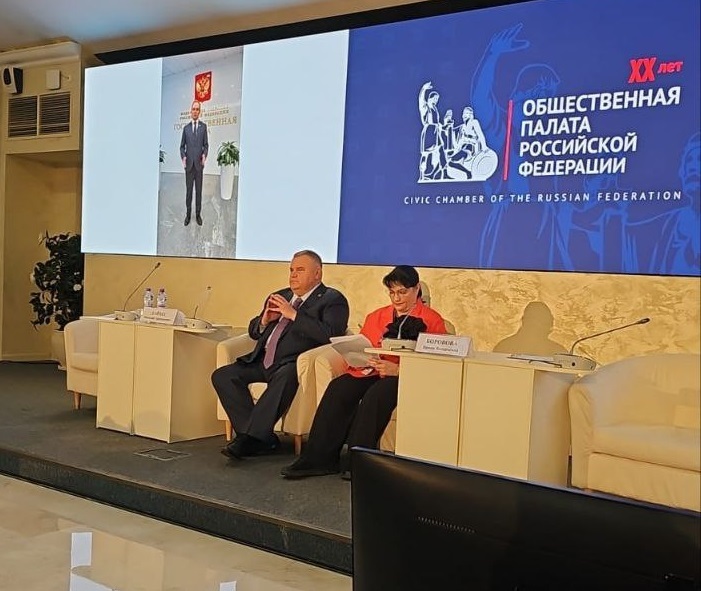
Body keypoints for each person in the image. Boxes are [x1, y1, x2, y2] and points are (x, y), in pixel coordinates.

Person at [280, 265, 447, 480]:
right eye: (392, 292)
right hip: (370, 369)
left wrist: (398, 370)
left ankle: (358, 462)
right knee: (339, 388)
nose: (396, 298)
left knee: (376, 395)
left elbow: (437, 364)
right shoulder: (376, 316)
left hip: (402, 376)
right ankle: (318, 459)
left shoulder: (432, 320)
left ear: (416, 290)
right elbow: (364, 345)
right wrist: (360, 357)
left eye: (402, 292)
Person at [212, 250, 349, 460]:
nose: (293, 275)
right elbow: (254, 332)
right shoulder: (280, 295)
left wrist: (294, 315)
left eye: (300, 270)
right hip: (262, 360)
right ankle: (260, 438)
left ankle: (250, 439)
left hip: (292, 363)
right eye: (291, 270)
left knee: (286, 375)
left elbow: (331, 335)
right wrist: (265, 320)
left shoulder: (332, 299)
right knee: (223, 375)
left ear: (317, 273)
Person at [179, 100, 209, 226]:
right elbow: (182, 147)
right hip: (189, 166)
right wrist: (183, 157)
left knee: (198, 191)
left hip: (199, 166)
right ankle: (188, 215)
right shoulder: (186, 129)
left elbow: (206, 145)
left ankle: (197, 215)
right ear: (191, 111)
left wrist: (204, 155)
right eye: (194, 109)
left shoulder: (203, 127)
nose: (195, 111)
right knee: (189, 192)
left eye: (197, 109)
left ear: (199, 112)